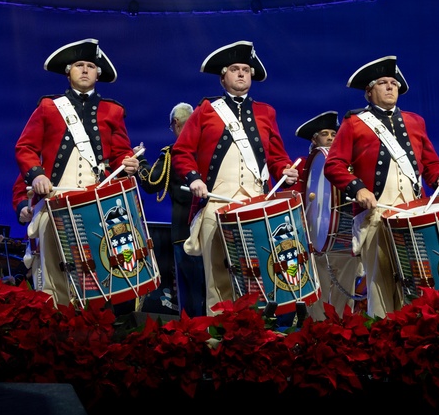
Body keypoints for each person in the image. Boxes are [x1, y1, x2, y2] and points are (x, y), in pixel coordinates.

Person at [172, 41, 299, 316]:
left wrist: (286, 170)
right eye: (234, 69)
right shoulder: (206, 109)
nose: (241, 74)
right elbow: (181, 151)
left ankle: (255, 331)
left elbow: (277, 156)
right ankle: (219, 331)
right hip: (216, 202)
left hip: (256, 204)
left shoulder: (266, 112)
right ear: (223, 77)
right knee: (217, 276)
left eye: (245, 70)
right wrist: (194, 178)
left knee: (256, 274)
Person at [13, 38, 141, 307]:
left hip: (95, 206)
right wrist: (36, 175)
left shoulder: (113, 110)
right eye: (79, 65)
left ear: (98, 73)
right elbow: (25, 146)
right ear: (68, 72)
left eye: (90, 66)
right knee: (53, 276)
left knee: (95, 275)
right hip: (55, 202)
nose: (85, 70)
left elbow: (121, 153)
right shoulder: (49, 106)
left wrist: (129, 162)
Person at [324, 56, 439, 319]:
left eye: (394, 83)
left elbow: (430, 162)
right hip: (377, 216)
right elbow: (333, 165)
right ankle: (384, 340)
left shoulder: (415, 121)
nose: (390, 87)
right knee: (380, 283)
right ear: (369, 92)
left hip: (413, 215)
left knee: (419, 280)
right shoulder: (354, 123)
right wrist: (357, 188)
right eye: (383, 83)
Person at [136, 102, 207, 317]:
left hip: (184, 234)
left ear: (175, 124)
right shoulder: (209, 151)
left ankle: (194, 335)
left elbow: (151, 182)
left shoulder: (173, 154)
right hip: (214, 230)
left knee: (191, 293)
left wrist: (140, 159)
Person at [293, 111, 363, 320]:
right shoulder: (305, 166)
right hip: (315, 239)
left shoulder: (351, 164)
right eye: (325, 134)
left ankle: (342, 328)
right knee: (318, 289)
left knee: (345, 287)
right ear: (314, 140)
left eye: (335, 133)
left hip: (344, 235)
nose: (331, 137)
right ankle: (318, 329)